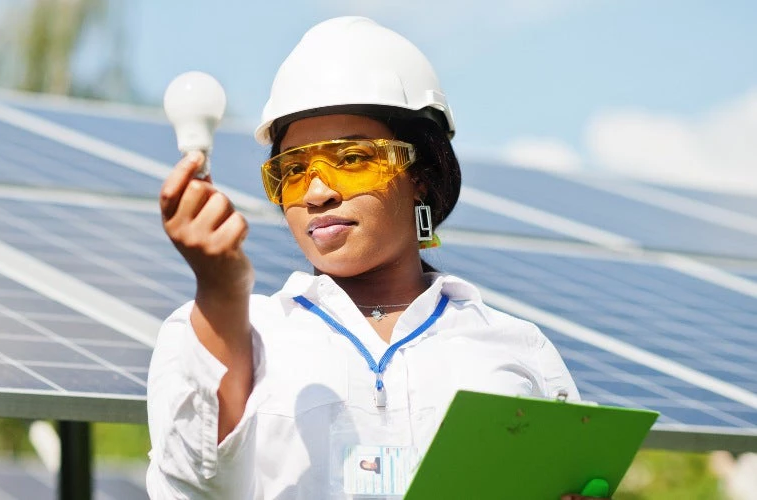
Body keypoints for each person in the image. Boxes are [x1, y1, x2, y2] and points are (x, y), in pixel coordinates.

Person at [147, 16, 599, 500]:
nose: (317, 192)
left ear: (421, 172)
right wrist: (221, 292)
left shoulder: (517, 349)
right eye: (294, 170)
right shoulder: (225, 329)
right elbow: (192, 484)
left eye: (354, 160)